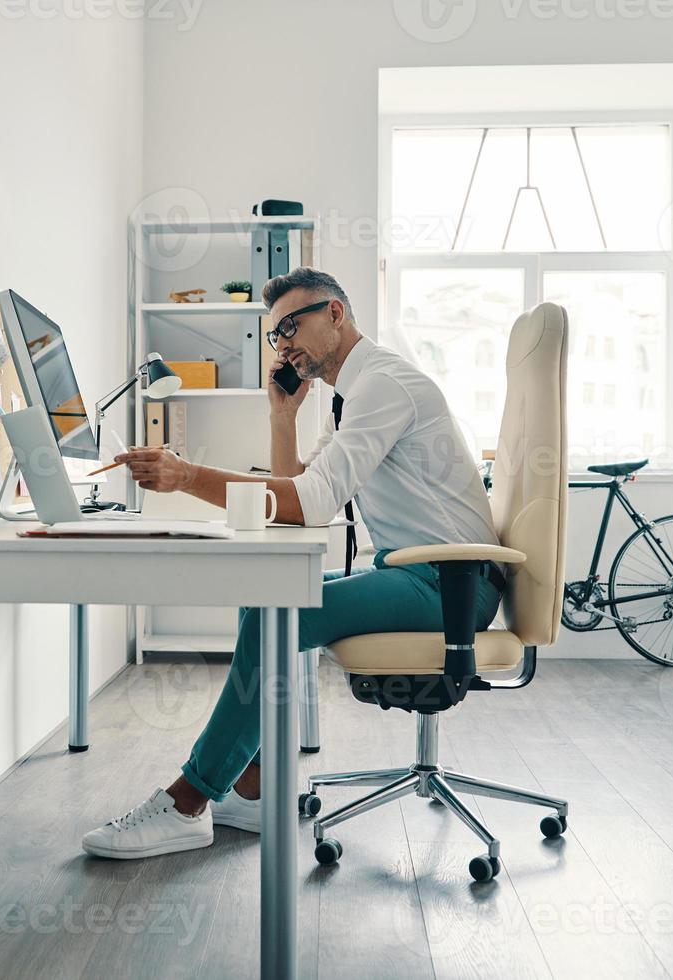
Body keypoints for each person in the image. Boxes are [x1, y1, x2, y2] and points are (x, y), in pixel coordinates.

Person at [81, 267, 502, 859]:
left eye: (290, 326)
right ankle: (249, 790)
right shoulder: (355, 396)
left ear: (335, 314)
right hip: (415, 575)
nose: (282, 345)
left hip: (453, 584)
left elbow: (306, 504)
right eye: (274, 335)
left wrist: (185, 475)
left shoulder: (384, 385)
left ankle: (188, 801)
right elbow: (300, 492)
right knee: (264, 595)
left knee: (280, 610)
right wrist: (282, 416)